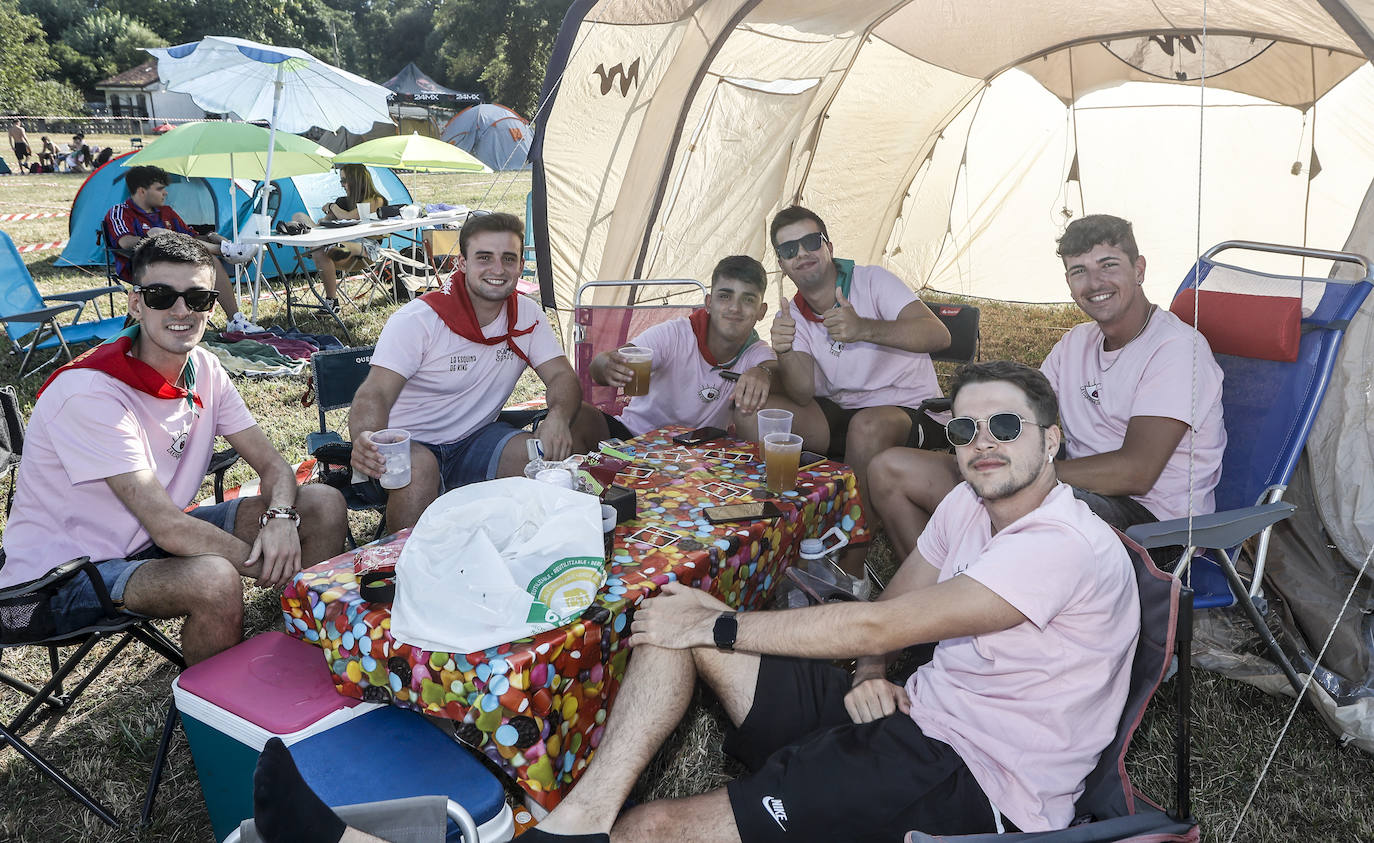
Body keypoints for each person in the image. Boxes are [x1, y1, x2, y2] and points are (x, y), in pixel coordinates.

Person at [249, 361, 1140, 843]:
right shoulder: (965, 504)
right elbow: (888, 619)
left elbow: (880, 620)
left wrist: (723, 621)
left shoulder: (1062, 542)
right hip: (912, 715)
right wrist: (872, 675)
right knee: (665, 612)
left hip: (968, 781)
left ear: (1052, 439)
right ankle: (575, 821)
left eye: (1007, 426)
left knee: (654, 826)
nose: (981, 444)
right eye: (964, 427)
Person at [0, 233, 348, 665]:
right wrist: (266, 563)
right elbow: (167, 526)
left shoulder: (205, 366)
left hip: (148, 541)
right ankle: (222, 714)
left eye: (198, 297)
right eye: (162, 296)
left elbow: (273, 465)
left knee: (323, 503)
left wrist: (280, 519)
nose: (181, 311)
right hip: (60, 577)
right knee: (214, 578)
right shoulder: (90, 392)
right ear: (135, 303)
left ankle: (307, 650)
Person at [869, 213, 1226, 563]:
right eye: (1079, 271)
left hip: (1154, 529)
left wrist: (1018, 473)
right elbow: (1018, 410)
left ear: (1139, 269)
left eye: (1109, 265)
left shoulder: (1177, 349)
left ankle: (973, 598)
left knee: (1012, 496)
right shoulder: (1076, 343)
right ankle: (938, 597)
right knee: (891, 468)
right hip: (1076, 494)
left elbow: (1136, 472)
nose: (1095, 282)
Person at [737, 205, 951, 586]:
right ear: (782, 264)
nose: (801, 254)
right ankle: (784, 530)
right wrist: (784, 352)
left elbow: (938, 334)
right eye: (789, 250)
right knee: (750, 414)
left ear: (828, 246)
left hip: (912, 407)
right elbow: (803, 392)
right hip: (842, 410)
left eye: (809, 242)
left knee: (867, 429)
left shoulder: (872, 282)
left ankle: (852, 565)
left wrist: (864, 329)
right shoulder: (793, 314)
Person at [349, 212, 603, 533]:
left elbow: (562, 377)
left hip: (476, 438)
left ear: (520, 265)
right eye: (484, 258)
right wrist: (366, 437)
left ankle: (530, 551)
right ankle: (399, 570)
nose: (498, 269)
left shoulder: (526, 315)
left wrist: (557, 416)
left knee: (542, 461)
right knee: (421, 468)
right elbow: (375, 392)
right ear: (463, 263)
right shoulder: (420, 319)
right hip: (411, 446)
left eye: (508, 259)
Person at [589, 255, 776, 439]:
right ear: (709, 303)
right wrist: (604, 364)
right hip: (633, 436)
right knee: (578, 415)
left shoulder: (756, 352)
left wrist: (764, 372)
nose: (735, 308)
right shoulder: (674, 334)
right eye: (725, 296)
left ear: (762, 311)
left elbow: (774, 368)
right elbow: (601, 365)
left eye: (748, 299)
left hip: (699, 457)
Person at [104, 165, 265, 334]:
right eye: (160, 189)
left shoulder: (166, 212)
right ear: (142, 191)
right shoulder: (120, 212)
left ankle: (234, 318)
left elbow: (191, 236)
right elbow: (125, 242)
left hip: (175, 264)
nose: (165, 193)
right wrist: (157, 238)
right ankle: (227, 251)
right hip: (140, 268)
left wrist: (211, 235)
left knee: (208, 260)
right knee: (164, 237)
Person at [286, 164, 389, 312]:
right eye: (341, 181)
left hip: (366, 248)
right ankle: (332, 301)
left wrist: (332, 206)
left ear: (356, 180)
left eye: (344, 181)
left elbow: (348, 216)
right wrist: (325, 218)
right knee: (300, 219)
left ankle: (319, 247)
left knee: (325, 247)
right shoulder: (342, 202)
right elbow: (323, 223)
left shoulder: (375, 200)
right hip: (338, 248)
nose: (342, 185)